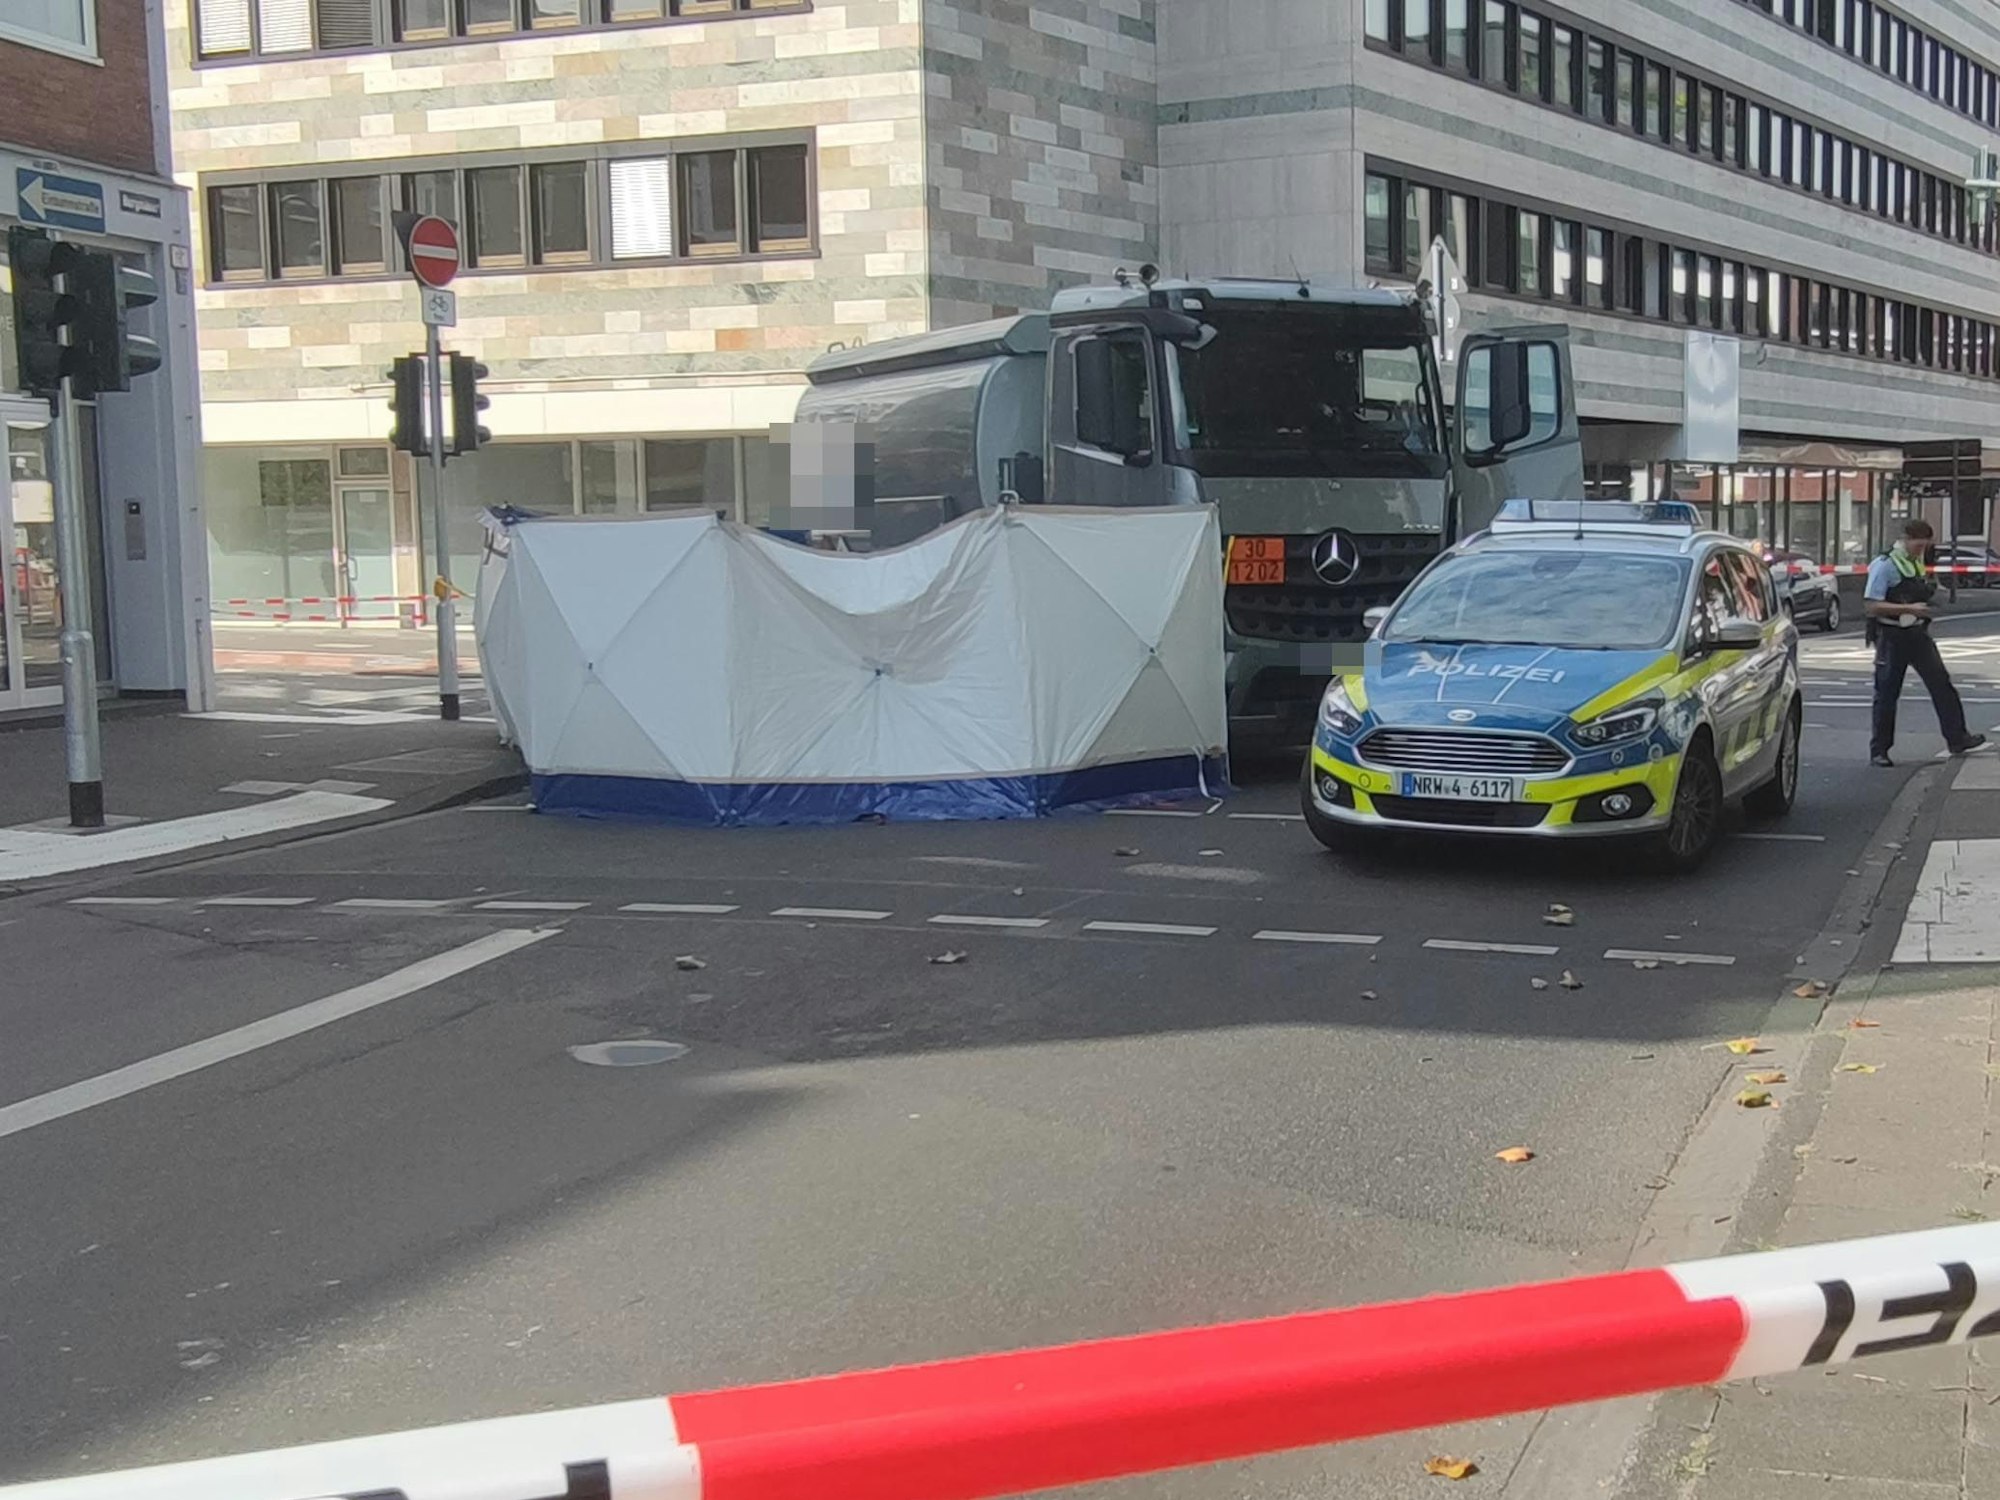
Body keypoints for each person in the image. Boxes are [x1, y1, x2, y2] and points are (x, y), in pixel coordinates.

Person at [1864, 518, 1987, 767]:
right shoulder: (1885, 565)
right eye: (1919, 545)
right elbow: (1871, 605)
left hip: (1917, 633)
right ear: (1906, 539)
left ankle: (1957, 738)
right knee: (1886, 693)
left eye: (1925, 546)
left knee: (1941, 685)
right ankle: (1879, 750)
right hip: (1892, 635)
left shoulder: (1914, 561)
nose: (1922, 550)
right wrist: (1909, 608)